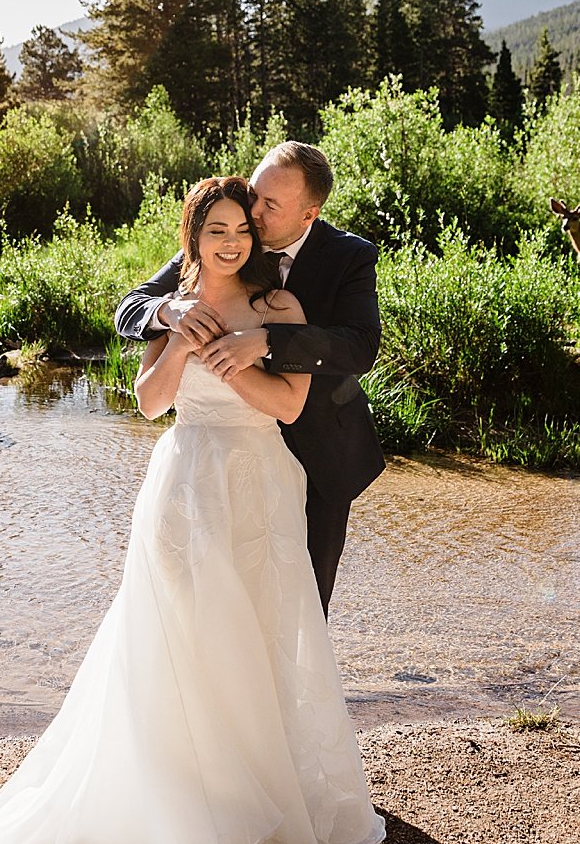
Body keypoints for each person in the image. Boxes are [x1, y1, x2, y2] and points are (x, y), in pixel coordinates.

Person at [0, 176, 384, 844]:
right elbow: (150, 402)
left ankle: (260, 796)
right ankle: (184, 799)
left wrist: (236, 359)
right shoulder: (171, 305)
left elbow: (290, 406)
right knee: (180, 636)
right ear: (195, 236)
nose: (234, 239)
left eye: (243, 228)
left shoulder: (280, 303)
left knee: (261, 634)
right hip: (185, 485)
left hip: (262, 483)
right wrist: (181, 339)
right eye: (218, 230)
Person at [115, 141, 383, 614]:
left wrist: (268, 342)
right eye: (255, 193)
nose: (253, 211)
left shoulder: (349, 257)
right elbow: (129, 309)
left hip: (318, 446)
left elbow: (359, 346)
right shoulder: (227, 239)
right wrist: (167, 311)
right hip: (214, 461)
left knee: (303, 602)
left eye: (270, 205)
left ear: (309, 214)